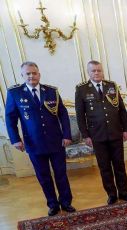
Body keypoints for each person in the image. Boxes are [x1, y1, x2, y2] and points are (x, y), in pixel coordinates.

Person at [5, 61, 75, 216]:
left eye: (34, 73)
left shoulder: (51, 91)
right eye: (28, 73)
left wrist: (67, 135)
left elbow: (63, 114)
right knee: (43, 176)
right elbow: (10, 118)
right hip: (34, 143)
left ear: (39, 74)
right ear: (22, 75)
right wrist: (15, 139)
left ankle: (66, 202)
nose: (31, 76)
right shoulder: (15, 93)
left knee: (61, 174)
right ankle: (53, 204)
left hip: (56, 141)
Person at [75, 60, 127, 205]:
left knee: (119, 165)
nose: (96, 73)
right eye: (93, 71)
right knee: (105, 167)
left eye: (99, 70)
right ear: (88, 72)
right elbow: (80, 115)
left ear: (102, 71)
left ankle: (123, 192)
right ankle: (111, 194)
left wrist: (126, 129)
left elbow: (121, 110)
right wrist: (86, 135)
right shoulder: (82, 89)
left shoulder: (111, 86)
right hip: (97, 135)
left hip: (115, 133)